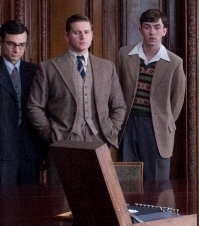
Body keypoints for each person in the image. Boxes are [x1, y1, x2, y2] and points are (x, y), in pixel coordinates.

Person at [25, 14, 126, 150]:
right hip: (62, 141)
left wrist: (112, 130)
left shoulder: (107, 67)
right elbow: (34, 106)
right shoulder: (48, 67)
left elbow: (119, 106)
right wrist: (50, 134)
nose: (83, 37)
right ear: (67, 36)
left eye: (86, 32)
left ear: (92, 35)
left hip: (100, 140)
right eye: (77, 32)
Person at [0, 20, 46, 186]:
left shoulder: (34, 71)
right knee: (1, 201)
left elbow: (42, 112)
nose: (17, 50)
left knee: (30, 201)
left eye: (22, 45)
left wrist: (43, 152)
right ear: (1, 42)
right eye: (11, 44)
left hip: (30, 154)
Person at [116, 8, 187, 181]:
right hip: (129, 124)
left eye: (157, 27)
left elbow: (177, 99)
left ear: (164, 31)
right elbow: (116, 89)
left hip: (157, 127)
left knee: (156, 182)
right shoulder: (124, 55)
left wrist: (164, 120)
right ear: (140, 30)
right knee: (128, 179)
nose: (152, 32)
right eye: (147, 27)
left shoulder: (174, 62)